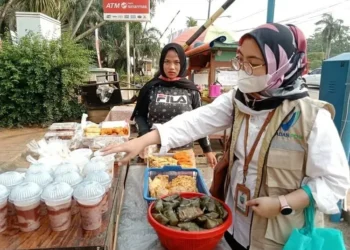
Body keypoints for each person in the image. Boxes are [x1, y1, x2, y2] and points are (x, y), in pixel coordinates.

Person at [103, 23, 350, 250]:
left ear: (281, 65)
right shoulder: (239, 101)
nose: (243, 69)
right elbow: (195, 121)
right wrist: (143, 140)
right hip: (233, 226)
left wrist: (283, 202)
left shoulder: (311, 118)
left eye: (253, 62)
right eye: (240, 60)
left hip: (277, 237)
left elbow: (336, 181)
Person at [131, 43, 217, 167]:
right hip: (155, 151)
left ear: (182, 63)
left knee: (183, 184)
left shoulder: (191, 90)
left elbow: (199, 121)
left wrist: (207, 149)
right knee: (155, 184)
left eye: (176, 62)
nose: (171, 67)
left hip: (183, 153)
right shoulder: (151, 88)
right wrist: (145, 138)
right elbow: (140, 116)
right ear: (161, 63)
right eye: (167, 62)